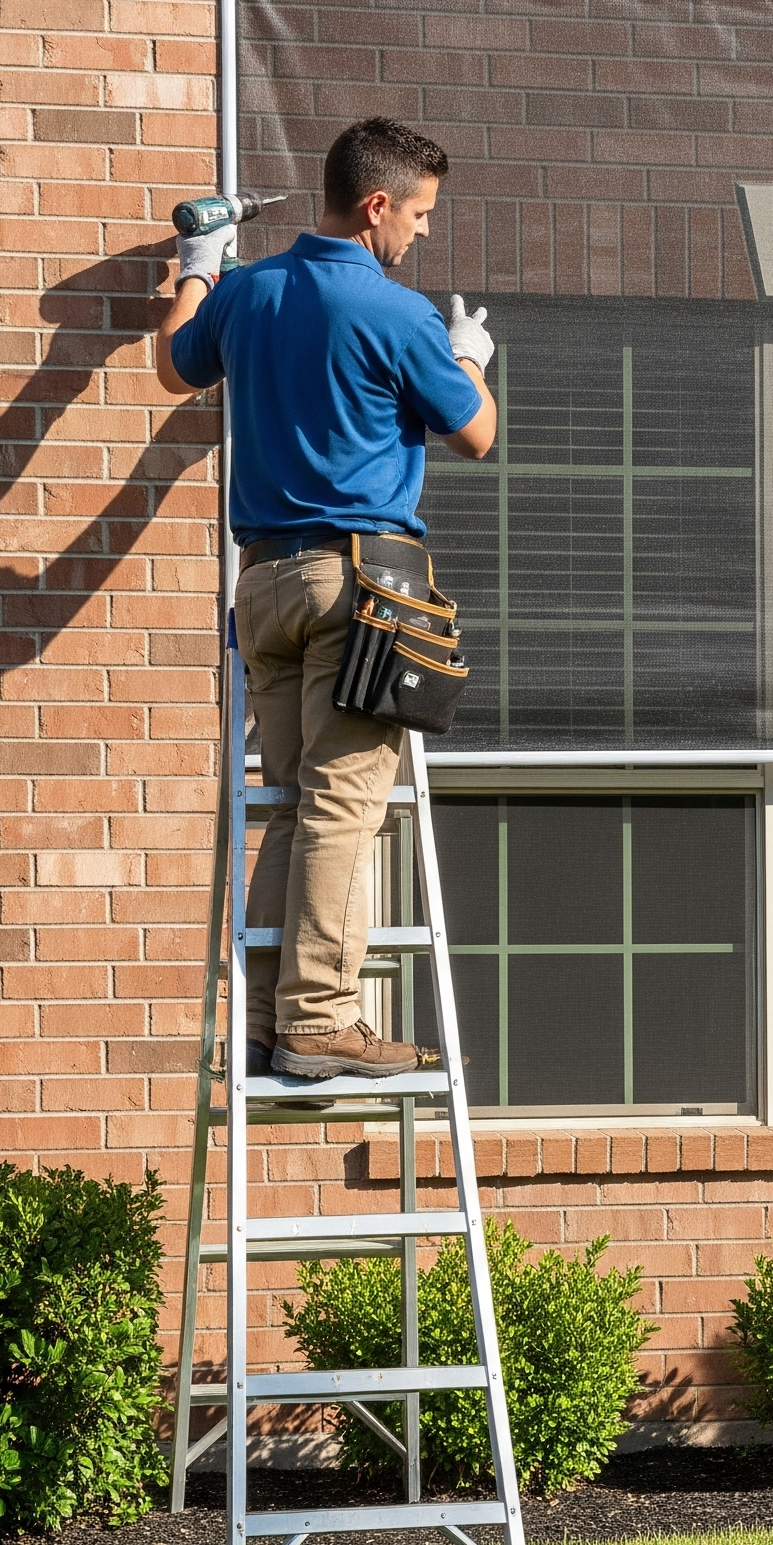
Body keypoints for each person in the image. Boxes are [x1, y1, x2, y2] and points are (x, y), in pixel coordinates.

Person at [156, 117, 498, 1081]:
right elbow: (477, 433)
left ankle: (267, 1021)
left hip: (262, 584)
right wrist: (468, 354)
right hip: (358, 587)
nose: (424, 234)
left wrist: (198, 265)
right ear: (377, 205)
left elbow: (172, 360)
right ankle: (320, 1018)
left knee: (297, 806)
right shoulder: (397, 314)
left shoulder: (249, 293)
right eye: (421, 215)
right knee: (344, 808)